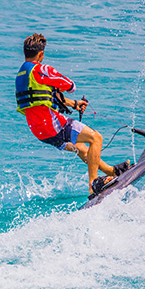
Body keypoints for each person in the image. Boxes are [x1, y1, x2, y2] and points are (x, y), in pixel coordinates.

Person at [15, 33, 129, 196]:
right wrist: (60, 85)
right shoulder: (41, 69)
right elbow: (70, 85)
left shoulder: (20, 76)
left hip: (39, 132)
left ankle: (111, 172)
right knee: (96, 138)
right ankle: (93, 185)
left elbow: (43, 97)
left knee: (81, 149)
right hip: (53, 126)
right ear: (41, 54)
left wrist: (74, 104)